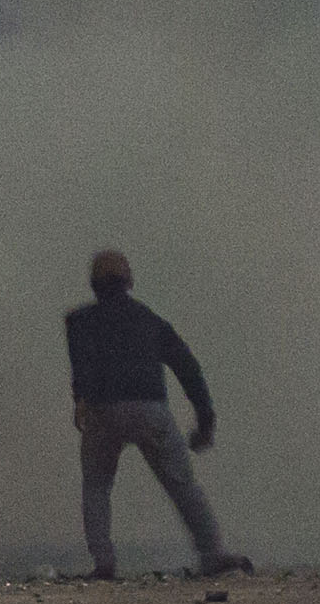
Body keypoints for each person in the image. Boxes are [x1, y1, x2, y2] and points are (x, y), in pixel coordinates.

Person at [65, 250, 249, 583]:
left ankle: (104, 562)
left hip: (102, 409)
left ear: (93, 285)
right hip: (150, 408)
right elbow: (187, 368)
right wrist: (205, 419)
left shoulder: (79, 321)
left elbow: (83, 363)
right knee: (182, 485)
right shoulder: (149, 321)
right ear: (129, 281)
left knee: (97, 486)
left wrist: (81, 399)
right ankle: (212, 554)